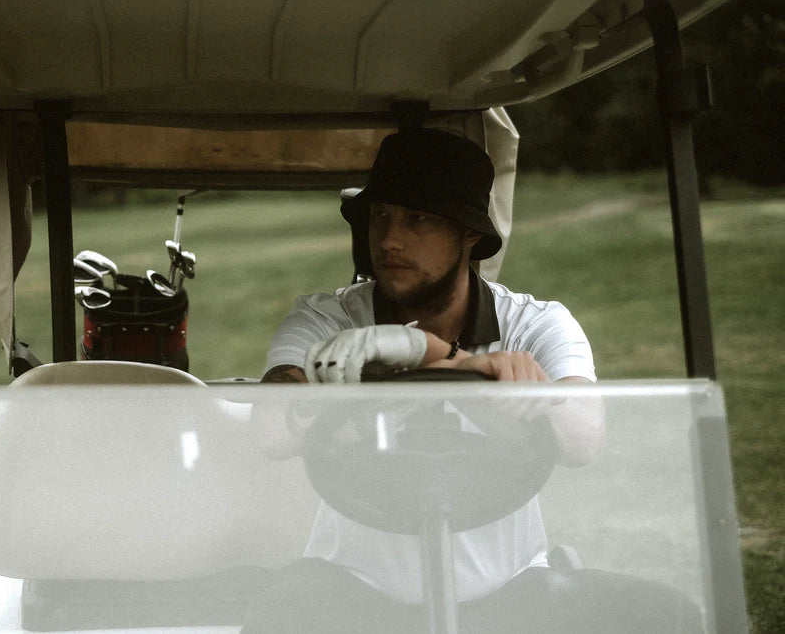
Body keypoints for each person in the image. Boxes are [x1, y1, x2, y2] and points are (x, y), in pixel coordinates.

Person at [243, 129, 699, 633]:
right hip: (350, 591)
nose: (390, 239)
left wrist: (436, 357)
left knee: (670, 615)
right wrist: (457, 366)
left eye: (419, 219)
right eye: (381, 215)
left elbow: (583, 439)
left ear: (469, 234)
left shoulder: (536, 325)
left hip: (510, 590)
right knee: (274, 619)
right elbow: (272, 430)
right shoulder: (324, 319)